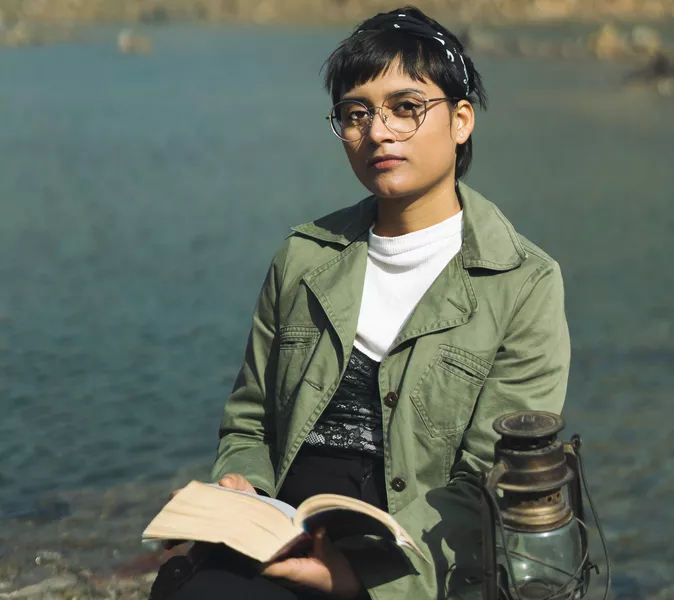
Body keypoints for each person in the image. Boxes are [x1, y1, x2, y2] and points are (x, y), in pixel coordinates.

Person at [150, 6, 570, 600]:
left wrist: (355, 579)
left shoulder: (522, 282)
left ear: (460, 120)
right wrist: (237, 489)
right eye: (356, 114)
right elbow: (248, 421)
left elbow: (490, 483)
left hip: (410, 569)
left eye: (406, 107)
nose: (378, 132)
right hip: (284, 542)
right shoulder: (303, 259)